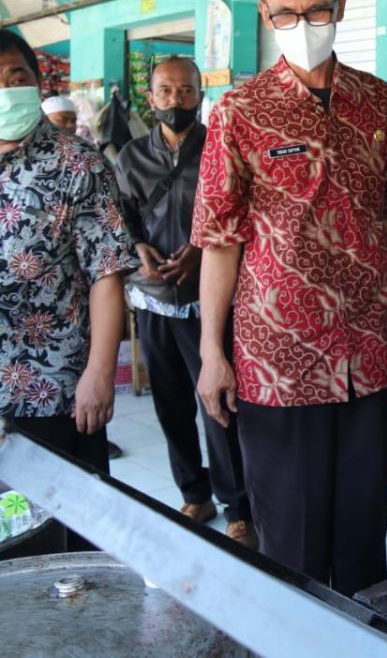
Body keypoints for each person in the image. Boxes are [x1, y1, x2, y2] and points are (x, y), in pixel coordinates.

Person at [192, 0, 387, 595]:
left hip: (371, 348)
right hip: (279, 358)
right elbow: (219, 240)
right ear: (266, 17)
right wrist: (213, 351)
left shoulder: (380, 103)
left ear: (340, 6)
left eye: (316, 9)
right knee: (290, 541)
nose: (303, 24)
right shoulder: (239, 112)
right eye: (286, 13)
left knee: (362, 533)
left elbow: (385, 214)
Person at [0, 29, 140, 551]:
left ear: (37, 84)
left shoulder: (77, 162)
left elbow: (107, 272)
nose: (6, 89)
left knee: (65, 534)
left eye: (16, 77)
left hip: (53, 389)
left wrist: (100, 375)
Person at [113, 56, 255, 548]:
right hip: (152, 299)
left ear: (200, 95)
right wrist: (138, 248)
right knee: (171, 404)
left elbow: (239, 211)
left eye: (187, 91)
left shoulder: (220, 148)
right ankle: (193, 493)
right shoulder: (130, 157)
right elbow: (122, 215)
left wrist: (202, 250)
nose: (177, 100)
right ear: (150, 98)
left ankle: (238, 507)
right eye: (167, 92)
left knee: (218, 403)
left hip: (207, 301)